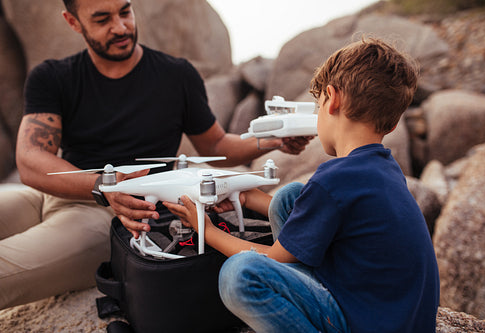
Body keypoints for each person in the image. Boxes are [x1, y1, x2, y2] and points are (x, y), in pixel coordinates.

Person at [0, 0, 312, 310]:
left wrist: (272, 142)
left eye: (125, 11)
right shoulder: (52, 76)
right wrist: (101, 186)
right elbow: (30, 159)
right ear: (73, 22)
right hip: (51, 195)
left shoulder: (176, 76)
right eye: (102, 19)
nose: (121, 27)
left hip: (113, 216)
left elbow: (215, 146)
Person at [165, 37, 440, 332]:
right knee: (291, 197)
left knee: (240, 274)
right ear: (393, 123)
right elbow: (320, 213)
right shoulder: (382, 168)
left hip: (364, 322)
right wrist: (246, 195)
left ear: (332, 99)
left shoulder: (336, 178)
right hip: (394, 314)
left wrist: (204, 228)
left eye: (318, 104)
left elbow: (274, 259)